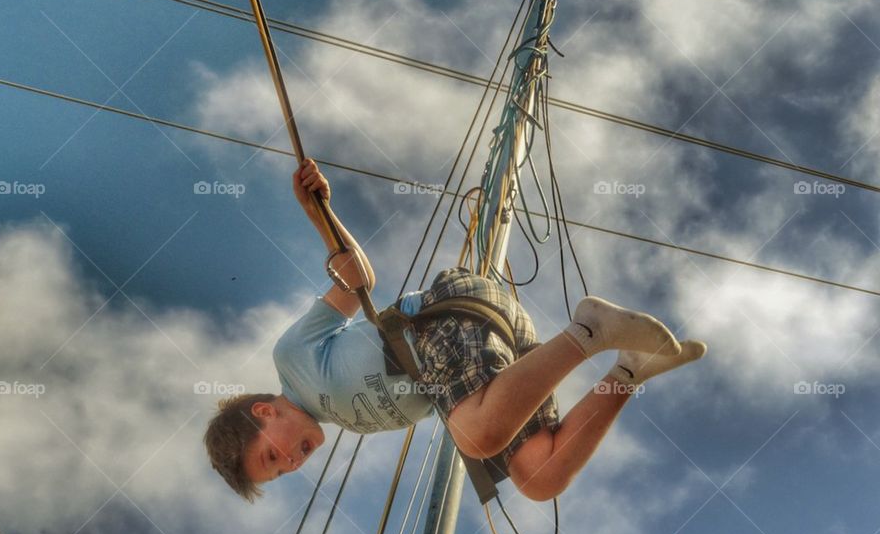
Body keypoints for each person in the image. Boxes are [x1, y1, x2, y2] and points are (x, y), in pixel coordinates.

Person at [204, 159, 707, 503]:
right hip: (489, 358)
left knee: (477, 434)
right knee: (537, 478)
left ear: (264, 411)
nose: (291, 462)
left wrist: (321, 216)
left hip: (446, 315)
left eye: (272, 454)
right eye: (281, 471)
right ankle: (628, 371)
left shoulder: (293, 356)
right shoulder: (347, 422)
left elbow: (356, 279)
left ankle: (592, 330)